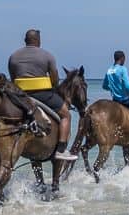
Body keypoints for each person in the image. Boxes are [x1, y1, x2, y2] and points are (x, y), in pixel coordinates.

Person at [7, 29, 77, 163]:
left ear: (25, 40)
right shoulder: (47, 56)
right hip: (42, 94)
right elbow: (55, 81)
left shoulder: (13, 56)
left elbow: (12, 77)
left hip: (20, 96)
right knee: (66, 115)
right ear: (38, 41)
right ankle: (61, 150)